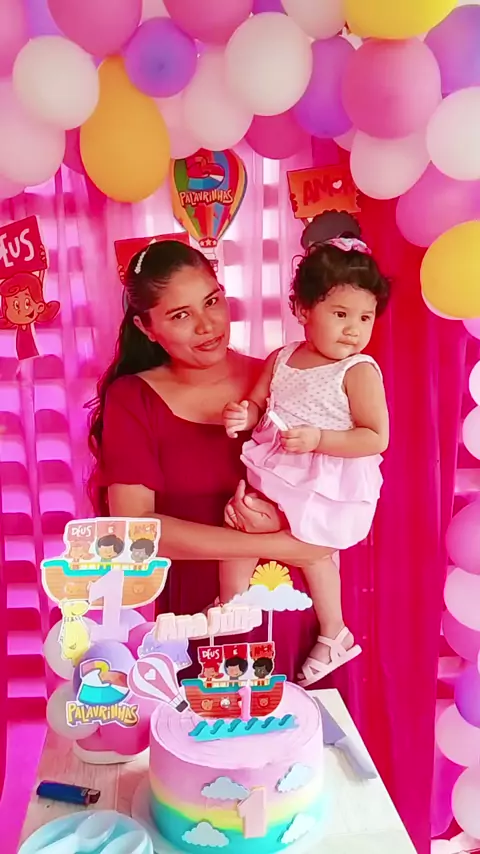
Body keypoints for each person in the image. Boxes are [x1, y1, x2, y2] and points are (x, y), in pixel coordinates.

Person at [87, 240, 328, 682]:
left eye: (212, 301)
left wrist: (291, 542)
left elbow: (338, 483)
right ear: (146, 327)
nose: (207, 325)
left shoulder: (282, 377)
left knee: (300, 720)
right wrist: (279, 544)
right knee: (205, 720)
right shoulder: (133, 399)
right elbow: (137, 530)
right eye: (180, 315)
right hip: (199, 620)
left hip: (295, 606)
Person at [223, 236, 390, 686]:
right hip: (279, 467)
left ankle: (334, 631)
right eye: (340, 314)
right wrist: (244, 414)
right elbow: (258, 403)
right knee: (238, 525)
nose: (354, 329)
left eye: (365, 317)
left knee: (314, 548)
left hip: (326, 479)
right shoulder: (282, 358)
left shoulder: (357, 370)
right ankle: (230, 615)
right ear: (301, 310)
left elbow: (375, 437)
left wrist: (319, 439)